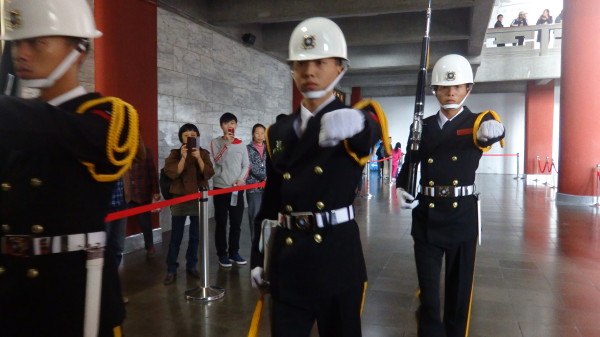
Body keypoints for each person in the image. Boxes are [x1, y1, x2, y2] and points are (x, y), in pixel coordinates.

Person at [0, 0, 140, 336]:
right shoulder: (16, 121)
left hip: (72, 296)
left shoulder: (107, 116)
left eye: (36, 42)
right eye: (17, 42)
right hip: (12, 292)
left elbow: (54, 128)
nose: (22, 53)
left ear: (78, 49)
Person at [250, 17, 388, 337]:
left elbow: (371, 131)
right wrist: (259, 258)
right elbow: (270, 203)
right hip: (288, 261)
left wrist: (359, 121)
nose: (308, 71)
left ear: (340, 68)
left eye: (319, 62)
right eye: (300, 64)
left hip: (336, 262)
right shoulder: (278, 131)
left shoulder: (352, 120)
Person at [396, 54, 505, 337]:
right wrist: (401, 186)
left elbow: (492, 130)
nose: (450, 92)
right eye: (444, 87)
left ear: (468, 88)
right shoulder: (423, 126)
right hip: (428, 214)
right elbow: (410, 161)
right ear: (435, 90)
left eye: (457, 86)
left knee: (459, 294)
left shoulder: (478, 120)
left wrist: (494, 132)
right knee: (429, 295)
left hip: (461, 215)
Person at [163, 123, 214, 285]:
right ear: (181, 138)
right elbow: (173, 173)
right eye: (186, 135)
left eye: (193, 135)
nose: (190, 138)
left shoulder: (204, 153)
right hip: (179, 196)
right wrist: (184, 157)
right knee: (176, 236)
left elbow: (208, 173)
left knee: (195, 236)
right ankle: (171, 268)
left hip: (198, 197)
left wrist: (198, 157)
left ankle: (192, 265)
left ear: (197, 137)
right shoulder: (175, 153)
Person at [210, 112, 250, 268]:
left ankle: (234, 252)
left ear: (236, 125)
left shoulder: (241, 144)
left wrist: (241, 179)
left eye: (232, 123)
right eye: (226, 123)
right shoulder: (216, 142)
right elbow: (218, 161)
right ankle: (222, 254)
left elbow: (246, 165)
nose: (230, 126)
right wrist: (226, 143)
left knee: (236, 223)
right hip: (220, 189)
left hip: (237, 189)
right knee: (221, 223)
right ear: (221, 126)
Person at [125, 145, 161, 258]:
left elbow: (152, 172)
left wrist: (156, 192)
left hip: (141, 193)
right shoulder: (117, 151)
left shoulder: (144, 151)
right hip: (124, 194)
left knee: (145, 222)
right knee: (119, 224)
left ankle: (149, 246)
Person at [246, 123, 267, 242]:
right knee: (254, 216)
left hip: (268, 187)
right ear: (253, 134)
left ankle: (265, 242)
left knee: (267, 216)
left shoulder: (269, 148)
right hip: (253, 187)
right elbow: (250, 166)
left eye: (262, 133)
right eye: (257, 133)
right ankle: (255, 243)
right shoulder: (247, 149)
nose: (260, 135)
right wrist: (264, 177)